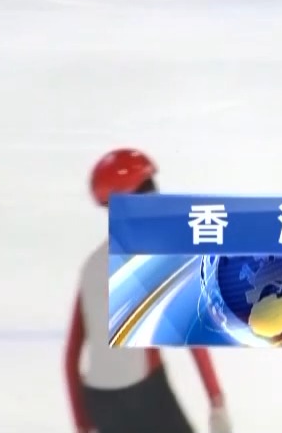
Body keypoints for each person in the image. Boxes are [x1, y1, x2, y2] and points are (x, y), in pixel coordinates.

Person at [69, 148, 232, 433]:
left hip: (100, 401)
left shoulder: (92, 267)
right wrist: (216, 400)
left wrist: (82, 422)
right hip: (143, 394)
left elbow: (71, 356)